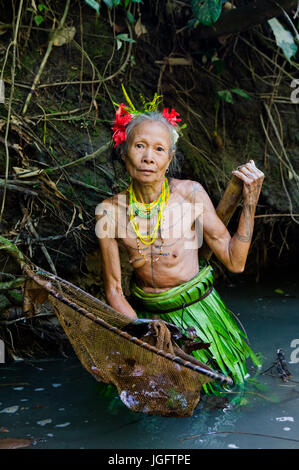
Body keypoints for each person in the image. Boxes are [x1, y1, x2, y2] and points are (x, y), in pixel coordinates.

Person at [95, 102, 264, 392]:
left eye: (159, 149)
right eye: (140, 146)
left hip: (198, 318)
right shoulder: (108, 212)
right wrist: (146, 335)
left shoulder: (190, 195)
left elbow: (235, 262)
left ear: (169, 158)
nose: (149, 157)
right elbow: (114, 289)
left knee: (220, 397)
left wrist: (249, 204)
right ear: (124, 154)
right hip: (150, 321)